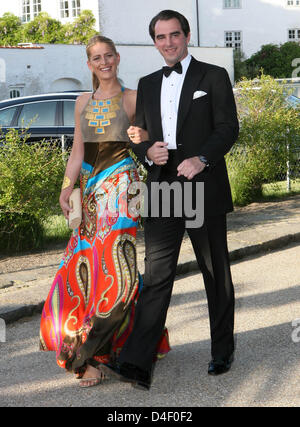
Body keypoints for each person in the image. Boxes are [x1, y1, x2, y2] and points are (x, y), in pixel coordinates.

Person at [103, 10, 239, 390]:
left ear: (187, 35)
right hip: (162, 187)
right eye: (160, 37)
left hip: (202, 184)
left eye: (174, 35)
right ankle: (136, 363)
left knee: (215, 273)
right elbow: (141, 134)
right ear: (154, 42)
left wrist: (202, 158)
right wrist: (148, 152)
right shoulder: (147, 84)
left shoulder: (213, 76)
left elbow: (229, 127)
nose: (168, 43)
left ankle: (223, 350)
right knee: (157, 276)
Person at [39, 35, 170, 388]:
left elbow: (148, 140)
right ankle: (102, 353)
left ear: (117, 57)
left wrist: (139, 134)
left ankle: (83, 353)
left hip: (123, 192)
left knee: (121, 274)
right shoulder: (82, 101)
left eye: (108, 55)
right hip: (91, 196)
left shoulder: (132, 98)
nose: (104, 62)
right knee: (88, 271)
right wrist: (67, 189)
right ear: (89, 64)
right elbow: (77, 153)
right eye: (96, 58)